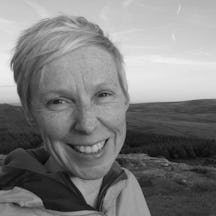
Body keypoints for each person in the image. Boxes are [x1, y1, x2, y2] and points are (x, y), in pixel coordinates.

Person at [0, 15, 151, 216]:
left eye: (103, 94)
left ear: (125, 99)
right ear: (29, 111)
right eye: (58, 101)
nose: (87, 124)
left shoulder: (126, 184)